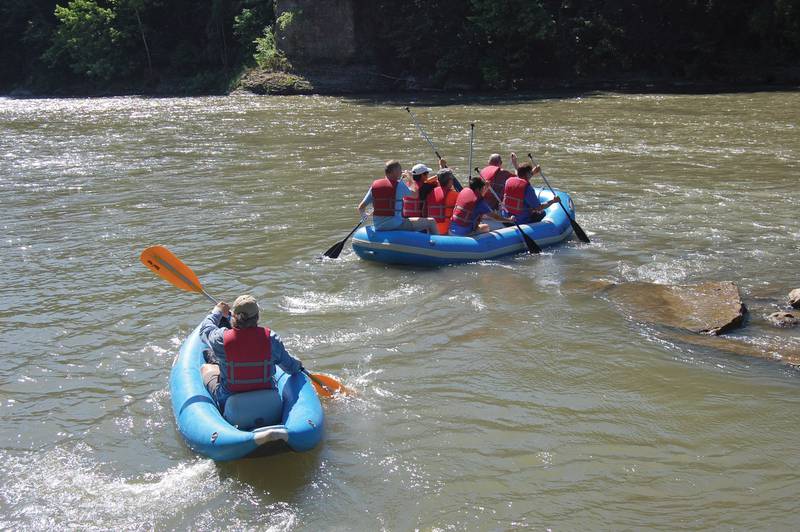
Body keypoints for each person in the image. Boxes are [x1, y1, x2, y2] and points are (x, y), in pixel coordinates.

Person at [199, 295, 304, 414]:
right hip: (268, 400)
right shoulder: (271, 339)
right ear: (257, 317)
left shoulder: (221, 339)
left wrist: (217, 311)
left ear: (234, 317)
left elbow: (205, 330)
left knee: (206, 368)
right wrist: (298, 364)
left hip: (230, 399)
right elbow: (290, 368)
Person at [358, 160, 438, 234]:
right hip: (396, 225)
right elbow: (415, 194)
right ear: (395, 171)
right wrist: (410, 179)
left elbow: (361, 207)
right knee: (431, 221)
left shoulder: (374, 186)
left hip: (379, 227)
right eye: (400, 170)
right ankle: (437, 246)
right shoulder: (399, 185)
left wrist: (365, 216)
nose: (401, 172)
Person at [449, 176, 515, 236]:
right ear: (478, 189)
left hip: (452, 229)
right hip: (464, 233)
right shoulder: (480, 203)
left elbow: (477, 197)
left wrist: (486, 188)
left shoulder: (464, 191)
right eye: (483, 188)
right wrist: (509, 220)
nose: (484, 189)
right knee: (486, 227)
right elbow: (495, 217)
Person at [425, 168, 459, 235]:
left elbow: (426, 181)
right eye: (452, 179)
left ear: (438, 180)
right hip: (445, 231)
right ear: (450, 181)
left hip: (430, 229)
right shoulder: (454, 194)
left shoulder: (431, 192)